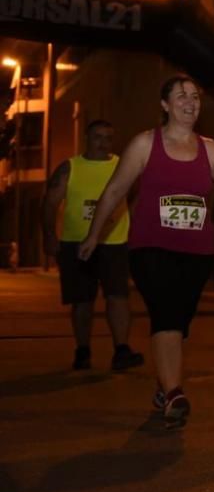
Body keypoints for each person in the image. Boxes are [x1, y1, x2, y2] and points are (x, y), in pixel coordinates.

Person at [79, 75, 214, 427]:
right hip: (150, 248)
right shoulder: (145, 145)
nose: (190, 102)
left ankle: (164, 384)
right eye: (181, 96)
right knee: (166, 314)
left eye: (195, 96)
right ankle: (175, 392)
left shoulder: (210, 149)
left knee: (179, 321)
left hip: (196, 251)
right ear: (165, 105)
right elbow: (115, 191)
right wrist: (93, 236)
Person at [41, 119, 144, 372]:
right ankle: (82, 350)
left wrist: (128, 220)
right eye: (98, 137)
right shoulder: (69, 168)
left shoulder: (123, 166)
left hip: (114, 242)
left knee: (118, 296)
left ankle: (121, 350)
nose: (103, 143)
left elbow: (138, 194)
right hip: (75, 242)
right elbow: (50, 203)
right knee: (82, 301)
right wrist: (49, 236)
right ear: (87, 138)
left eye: (108, 138)